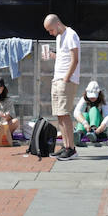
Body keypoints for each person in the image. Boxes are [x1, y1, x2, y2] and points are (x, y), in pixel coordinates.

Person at [42, 13, 81, 160]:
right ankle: (66, 146)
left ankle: (71, 148)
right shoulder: (59, 37)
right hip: (58, 79)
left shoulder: (71, 35)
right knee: (59, 114)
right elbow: (64, 57)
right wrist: (53, 56)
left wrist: (66, 78)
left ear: (57, 24)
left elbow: (75, 59)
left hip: (66, 80)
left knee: (64, 114)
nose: (51, 33)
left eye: (51, 30)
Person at [73, 80, 108, 144]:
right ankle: (79, 134)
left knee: (94, 109)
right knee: (84, 114)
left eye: (94, 96)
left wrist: (102, 126)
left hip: (98, 127)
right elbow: (76, 112)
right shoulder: (84, 99)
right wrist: (85, 123)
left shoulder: (102, 101)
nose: (92, 98)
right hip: (86, 127)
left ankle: (93, 132)